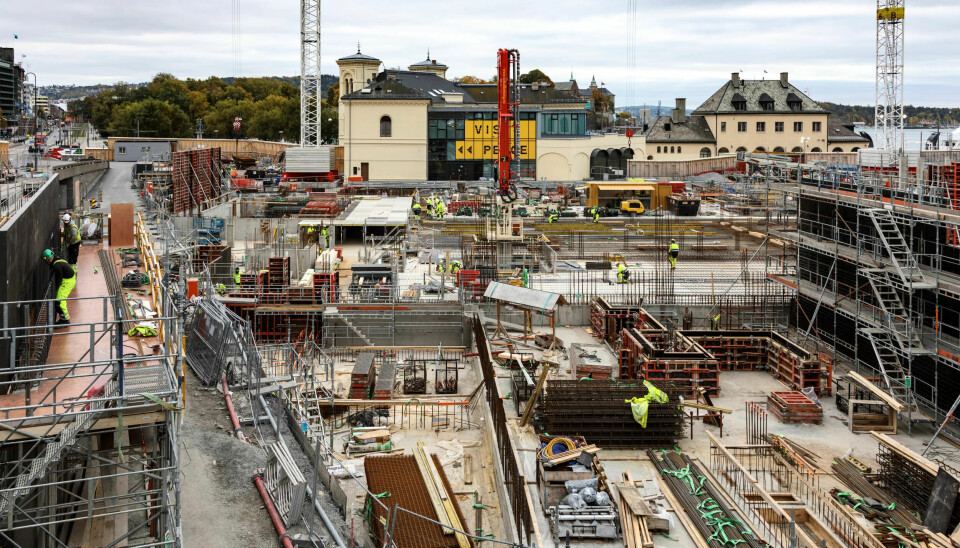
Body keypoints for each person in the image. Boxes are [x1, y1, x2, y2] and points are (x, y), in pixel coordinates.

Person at [43, 249, 75, 325]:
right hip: (67, 280)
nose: (47, 262)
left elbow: (58, 280)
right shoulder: (56, 260)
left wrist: (55, 290)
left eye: (47, 260)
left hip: (68, 282)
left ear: (49, 258)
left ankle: (65, 320)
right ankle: (63, 318)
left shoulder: (56, 265)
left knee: (59, 302)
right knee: (58, 300)